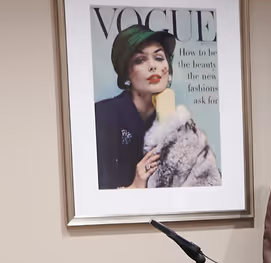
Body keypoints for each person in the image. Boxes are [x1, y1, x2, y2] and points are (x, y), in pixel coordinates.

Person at [92, 24, 222, 189]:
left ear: (168, 69)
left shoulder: (182, 124)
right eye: (140, 60)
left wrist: (169, 123)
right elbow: (92, 194)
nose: (153, 66)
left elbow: (206, 183)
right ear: (126, 73)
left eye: (159, 58)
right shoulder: (102, 116)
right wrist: (134, 186)